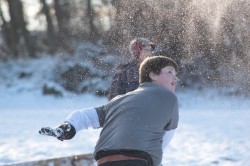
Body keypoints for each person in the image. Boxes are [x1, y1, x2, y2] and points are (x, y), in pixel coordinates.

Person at [39, 56, 179, 166]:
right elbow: (163, 140)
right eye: (170, 72)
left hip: (105, 159)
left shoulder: (119, 100)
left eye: (175, 74)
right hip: (139, 159)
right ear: (153, 75)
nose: (175, 77)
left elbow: (88, 116)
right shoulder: (168, 98)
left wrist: (69, 126)